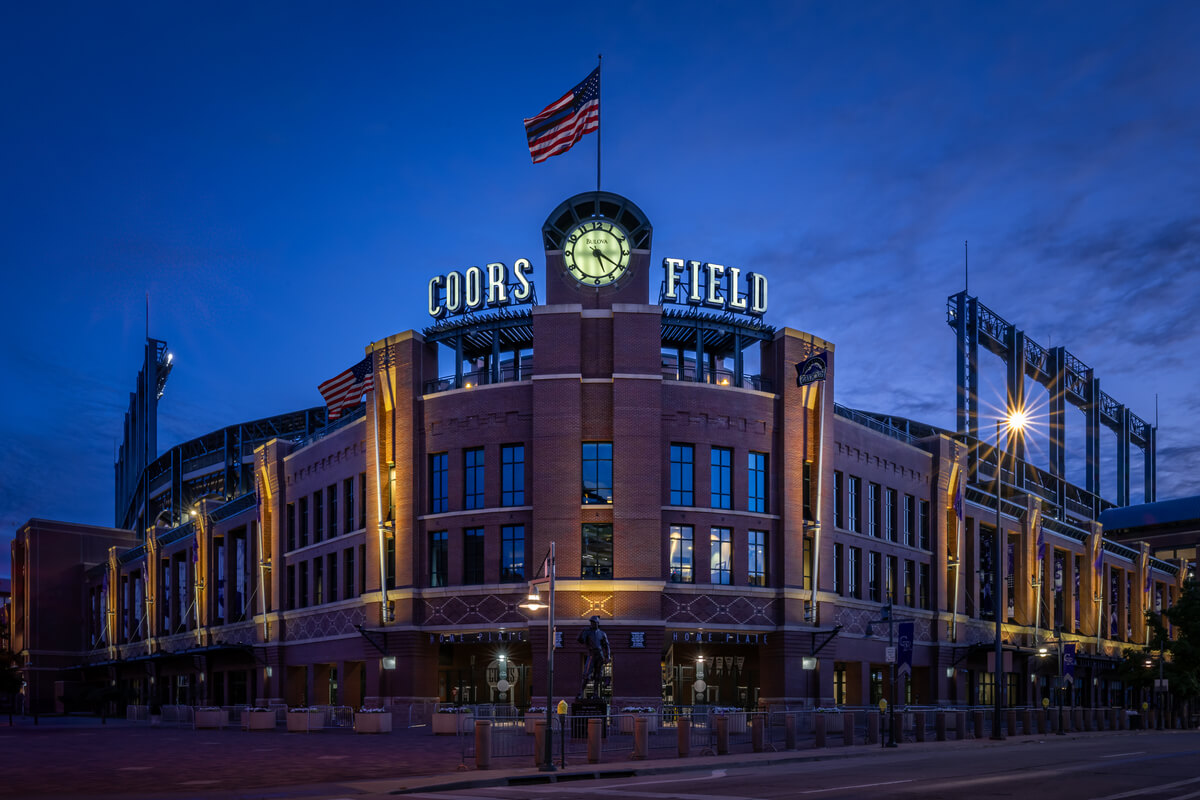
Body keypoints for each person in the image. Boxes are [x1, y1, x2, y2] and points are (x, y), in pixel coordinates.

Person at [577, 616, 611, 698]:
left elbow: (606, 646)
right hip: (591, 654)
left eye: (594, 622)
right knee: (586, 674)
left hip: (600, 655)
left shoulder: (602, 633)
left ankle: (595, 694)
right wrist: (581, 634)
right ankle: (581, 693)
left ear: (597, 623)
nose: (592, 624)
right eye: (591, 622)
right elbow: (581, 640)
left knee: (598, 676)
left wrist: (608, 656)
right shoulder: (587, 632)